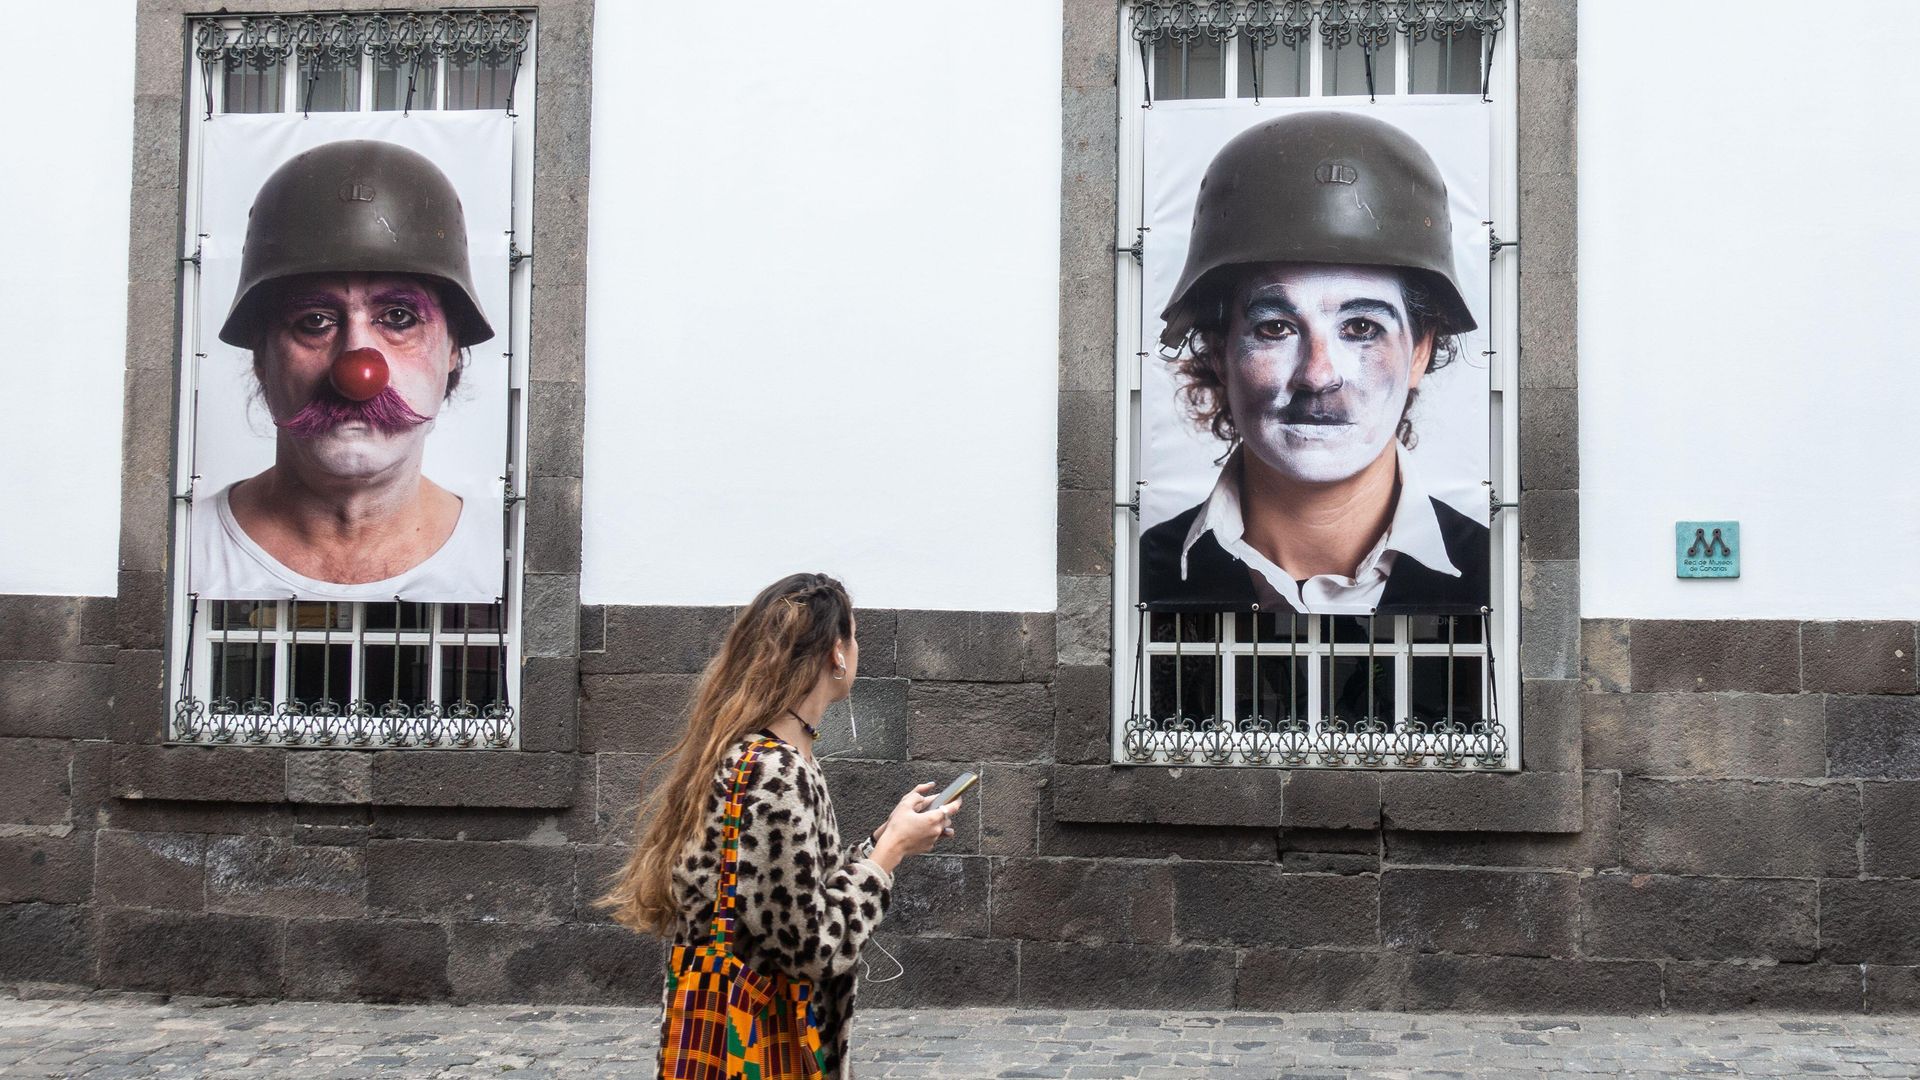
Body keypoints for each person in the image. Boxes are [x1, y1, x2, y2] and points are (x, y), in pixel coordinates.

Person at [600, 572, 957, 1080]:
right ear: (837, 651)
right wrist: (890, 854)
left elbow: (795, 887)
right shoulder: (774, 771)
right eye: (854, 637)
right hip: (757, 1042)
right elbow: (811, 945)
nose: (857, 651)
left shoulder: (775, 756)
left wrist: (886, 838)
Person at [1141, 110, 1489, 616]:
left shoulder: (1498, 580)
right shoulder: (1142, 578)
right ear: (1219, 352)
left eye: (1362, 328)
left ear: (1419, 352)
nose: (1318, 375)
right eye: (1275, 328)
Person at [189, 139, 500, 602]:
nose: (356, 370)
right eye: (315, 322)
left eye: (398, 318)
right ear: (261, 355)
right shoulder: (182, 555)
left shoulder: (511, 559)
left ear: (453, 349)